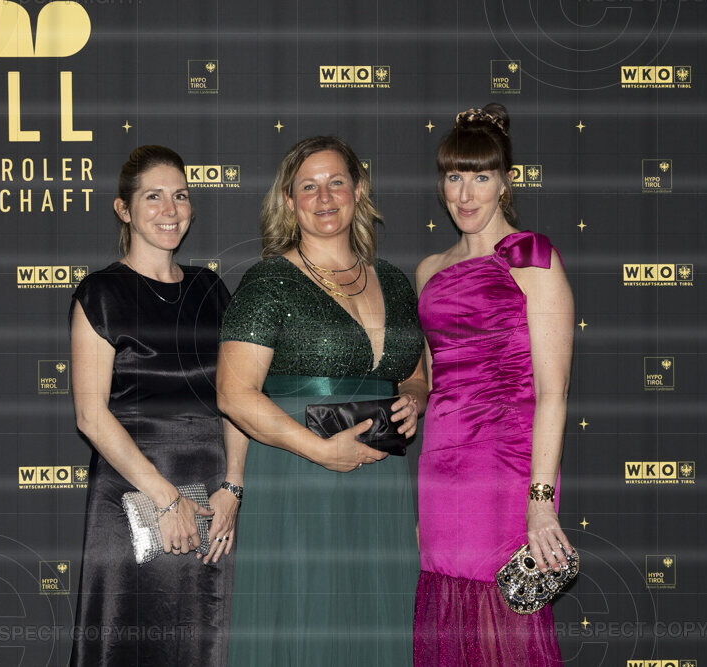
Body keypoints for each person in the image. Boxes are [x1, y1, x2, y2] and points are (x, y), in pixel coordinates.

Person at [217, 136, 427, 665]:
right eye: (308, 187)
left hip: (380, 482)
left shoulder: (394, 280)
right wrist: (321, 451)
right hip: (300, 474)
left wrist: (413, 398)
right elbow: (234, 394)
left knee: (378, 619)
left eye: (336, 182)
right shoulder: (269, 281)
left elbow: (416, 374)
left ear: (359, 191)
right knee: (306, 619)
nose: (325, 197)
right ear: (289, 201)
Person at [68, 145, 247, 666]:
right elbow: (91, 416)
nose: (170, 210)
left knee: (199, 642)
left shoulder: (211, 289)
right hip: (132, 496)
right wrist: (166, 501)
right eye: (153, 197)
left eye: (181, 196)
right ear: (124, 209)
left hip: (213, 502)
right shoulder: (101, 294)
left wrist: (233, 487)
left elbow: (237, 396)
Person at [413, 104, 574, 665]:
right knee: (448, 611)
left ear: (506, 181)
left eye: (480, 177)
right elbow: (437, 382)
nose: (465, 194)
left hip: (506, 466)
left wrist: (541, 502)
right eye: (454, 177)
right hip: (441, 467)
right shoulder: (429, 270)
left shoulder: (532, 258)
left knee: (501, 621)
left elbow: (553, 393)